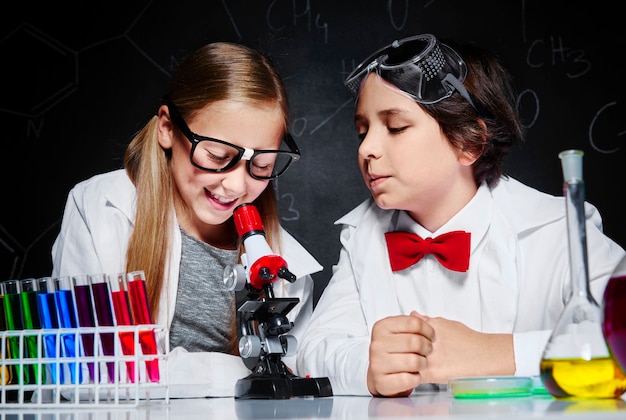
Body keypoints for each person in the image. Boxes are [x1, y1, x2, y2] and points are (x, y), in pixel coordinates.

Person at [296, 33, 626, 397]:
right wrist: (367, 366)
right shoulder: (362, 235)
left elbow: (621, 339)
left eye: (395, 127)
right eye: (363, 131)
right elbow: (314, 351)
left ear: (469, 142)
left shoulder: (556, 228)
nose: (368, 149)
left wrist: (497, 354)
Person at [51, 41, 322, 397]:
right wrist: (228, 376)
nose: (237, 184)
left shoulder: (289, 269)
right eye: (217, 155)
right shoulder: (98, 208)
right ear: (167, 128)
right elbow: (83, 369)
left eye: (261, 166)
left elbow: (291, 379)